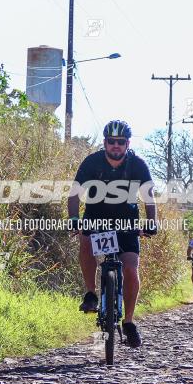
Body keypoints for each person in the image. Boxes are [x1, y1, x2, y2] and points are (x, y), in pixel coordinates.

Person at [68, 120, 157, 349]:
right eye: (111, 142)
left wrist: (152, 222)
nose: (115, 146)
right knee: (86, 240)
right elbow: (74, 194)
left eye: (120, 142)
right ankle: (90, 294)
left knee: (129, 268)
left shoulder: (137, 165)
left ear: (127, 143)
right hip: (96, 217)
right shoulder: (92, 162)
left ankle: (128, 322)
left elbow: (149, 198)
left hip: (127, 221)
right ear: (105, 142)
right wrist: (74, 220)